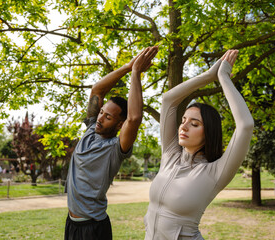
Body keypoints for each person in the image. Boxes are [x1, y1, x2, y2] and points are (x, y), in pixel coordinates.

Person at [144, 49, 254, 239]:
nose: (184, 126)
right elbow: (168, 100)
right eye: (183, 120)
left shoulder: (215, 172)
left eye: (194, 124)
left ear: (209, 133)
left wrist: (223, 77)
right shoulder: (170, 155)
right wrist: (208, 75)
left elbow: (245, 125)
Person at [65, 46, 158, 240]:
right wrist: (127, 66)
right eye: (101, 112)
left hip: (93, 228)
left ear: (119, 124)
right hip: (72, 223)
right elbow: (97, 89)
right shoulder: (91, 128)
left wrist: (135, 74)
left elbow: (134, 118)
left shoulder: (116, 148)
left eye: (108, 117)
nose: (100, 118)